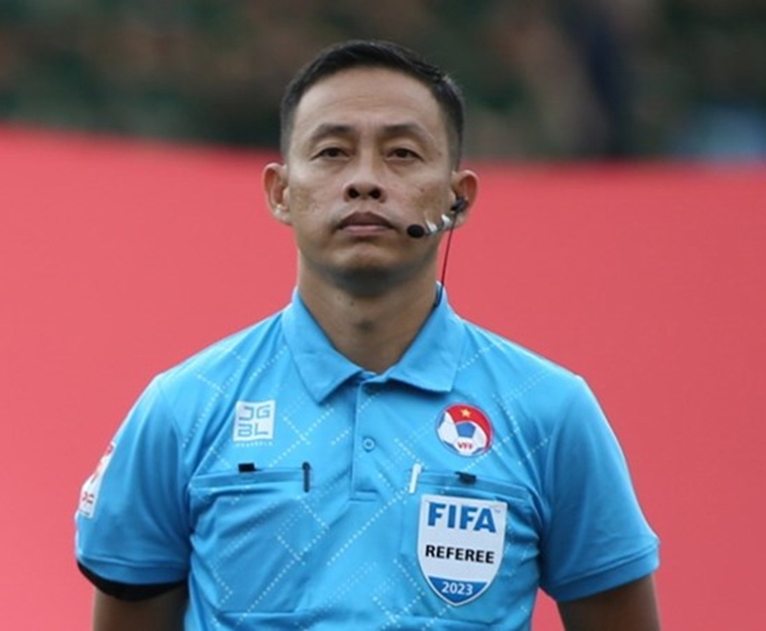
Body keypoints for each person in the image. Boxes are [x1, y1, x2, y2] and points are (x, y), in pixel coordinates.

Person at [74, 39, 661, 630]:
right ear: (280, 193)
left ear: (458, 199)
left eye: (402, 154)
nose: (364, 181)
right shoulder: (184, 409)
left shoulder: (551, 413)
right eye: (332, 152)